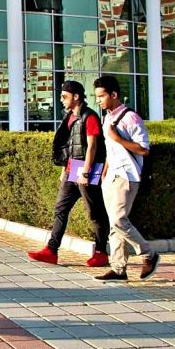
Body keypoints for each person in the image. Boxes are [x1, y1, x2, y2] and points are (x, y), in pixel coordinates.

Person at [27, 81, 109, 267]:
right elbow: (70, 146)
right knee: (60, 209)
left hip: (87, 170)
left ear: (76, 97)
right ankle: (51, 250)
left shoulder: (90, 117)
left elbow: (92, 147)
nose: (62, 100)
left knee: (95, 213)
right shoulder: (70, 116)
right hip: (72, 169)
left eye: (65, 96)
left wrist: (86, 172)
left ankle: (101, 252)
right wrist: (65, 170)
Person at [92, 75, 159, 282]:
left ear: (114, 94)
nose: (99, 101)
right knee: (114, 223)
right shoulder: (107, 118)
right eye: (96, 97)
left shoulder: (131, 118)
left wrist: (118, 138)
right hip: (111, 177)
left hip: (127, 176)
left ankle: (149, 253)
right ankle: (119, 269)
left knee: (120, 220)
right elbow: (111, 151)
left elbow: (144, 149)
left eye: (102, 96)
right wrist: (104, 173)